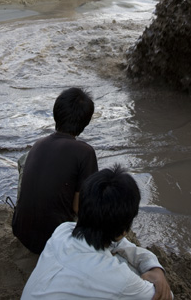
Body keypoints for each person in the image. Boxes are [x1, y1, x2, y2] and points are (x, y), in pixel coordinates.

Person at [21, 165, 173, 299]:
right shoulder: (119, 280)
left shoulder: (63, 230)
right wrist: (156, 271)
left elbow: (121, 244)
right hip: (115, 278)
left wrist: (153, 266)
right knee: (127, 265)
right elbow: (164, 295)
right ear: (125, 229)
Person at [12, 87, 98, 254]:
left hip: (22, 232)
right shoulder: (85, 152)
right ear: (86, 122)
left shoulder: (38, 144)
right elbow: (79, 208)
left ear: (55, 114)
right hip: (53, 242)